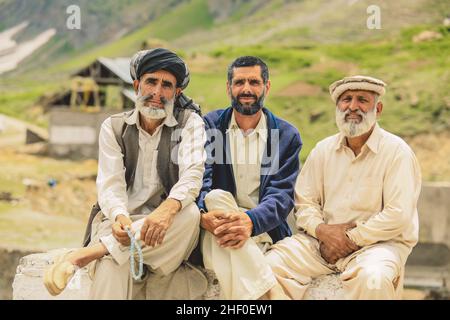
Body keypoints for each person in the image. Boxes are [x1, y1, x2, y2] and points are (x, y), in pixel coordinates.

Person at [43, 48, 207, 299]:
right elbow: (110, 185)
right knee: (111, 266)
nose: (157, 93)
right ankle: (106, 251)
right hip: (122, 225)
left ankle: (88, 254)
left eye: (167, 85)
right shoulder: (114, 126)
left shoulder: (190, 123)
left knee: (191, 213)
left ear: (177, 92)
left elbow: (192, 175)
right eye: (151, 81)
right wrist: (120, 216)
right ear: (137, 84)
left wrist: (167, 210)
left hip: (168, 232)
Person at [265, 75, 421, 299]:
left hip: (377, 246)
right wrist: (321, 231)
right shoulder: (323, 150)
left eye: (362, 100)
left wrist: (351, 239)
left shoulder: (397, 152)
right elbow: (304, 203)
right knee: (269, 267)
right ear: (337, 107)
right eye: (346, 99)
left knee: (374, 279)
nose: (353, 106)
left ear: (378, 109)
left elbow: (398, 215)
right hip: (320, 243)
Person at [197, 56, 302, 299]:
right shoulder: (209, 127)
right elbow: (201, 183)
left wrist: (250, 222)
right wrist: (206, 214)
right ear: (228, 87)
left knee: (230, 259)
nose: (246, 89)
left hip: (265, 232)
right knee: (216, 196)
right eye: (239, 82)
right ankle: (272, 295)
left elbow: (281, 196)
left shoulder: (286, 135)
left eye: (254, 82)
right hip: (216, 228)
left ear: (267, 86)